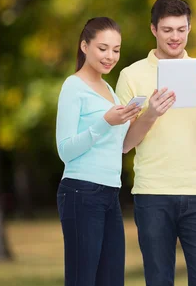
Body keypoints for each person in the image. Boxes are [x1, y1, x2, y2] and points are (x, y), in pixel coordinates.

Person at [115, 0, 196, 286]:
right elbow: (124, 143)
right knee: (158, 280)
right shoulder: (131, 75)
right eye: (167, 30)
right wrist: (150, 114)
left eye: (181, 29)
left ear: (189, 28)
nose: (175, 37)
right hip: (152, 194)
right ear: (153, 29)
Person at [56, 17, 141, 286]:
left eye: (116, 50)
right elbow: (65, 150)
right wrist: (105, 122)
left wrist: (145, 116)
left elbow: (122, 145)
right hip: (81, 192)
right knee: (83, 279)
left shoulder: (110, 91)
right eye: (103, 48)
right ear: (84, 46)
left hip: (110, 193)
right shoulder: (73, 86)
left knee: (112, 279)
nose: (110, 56)